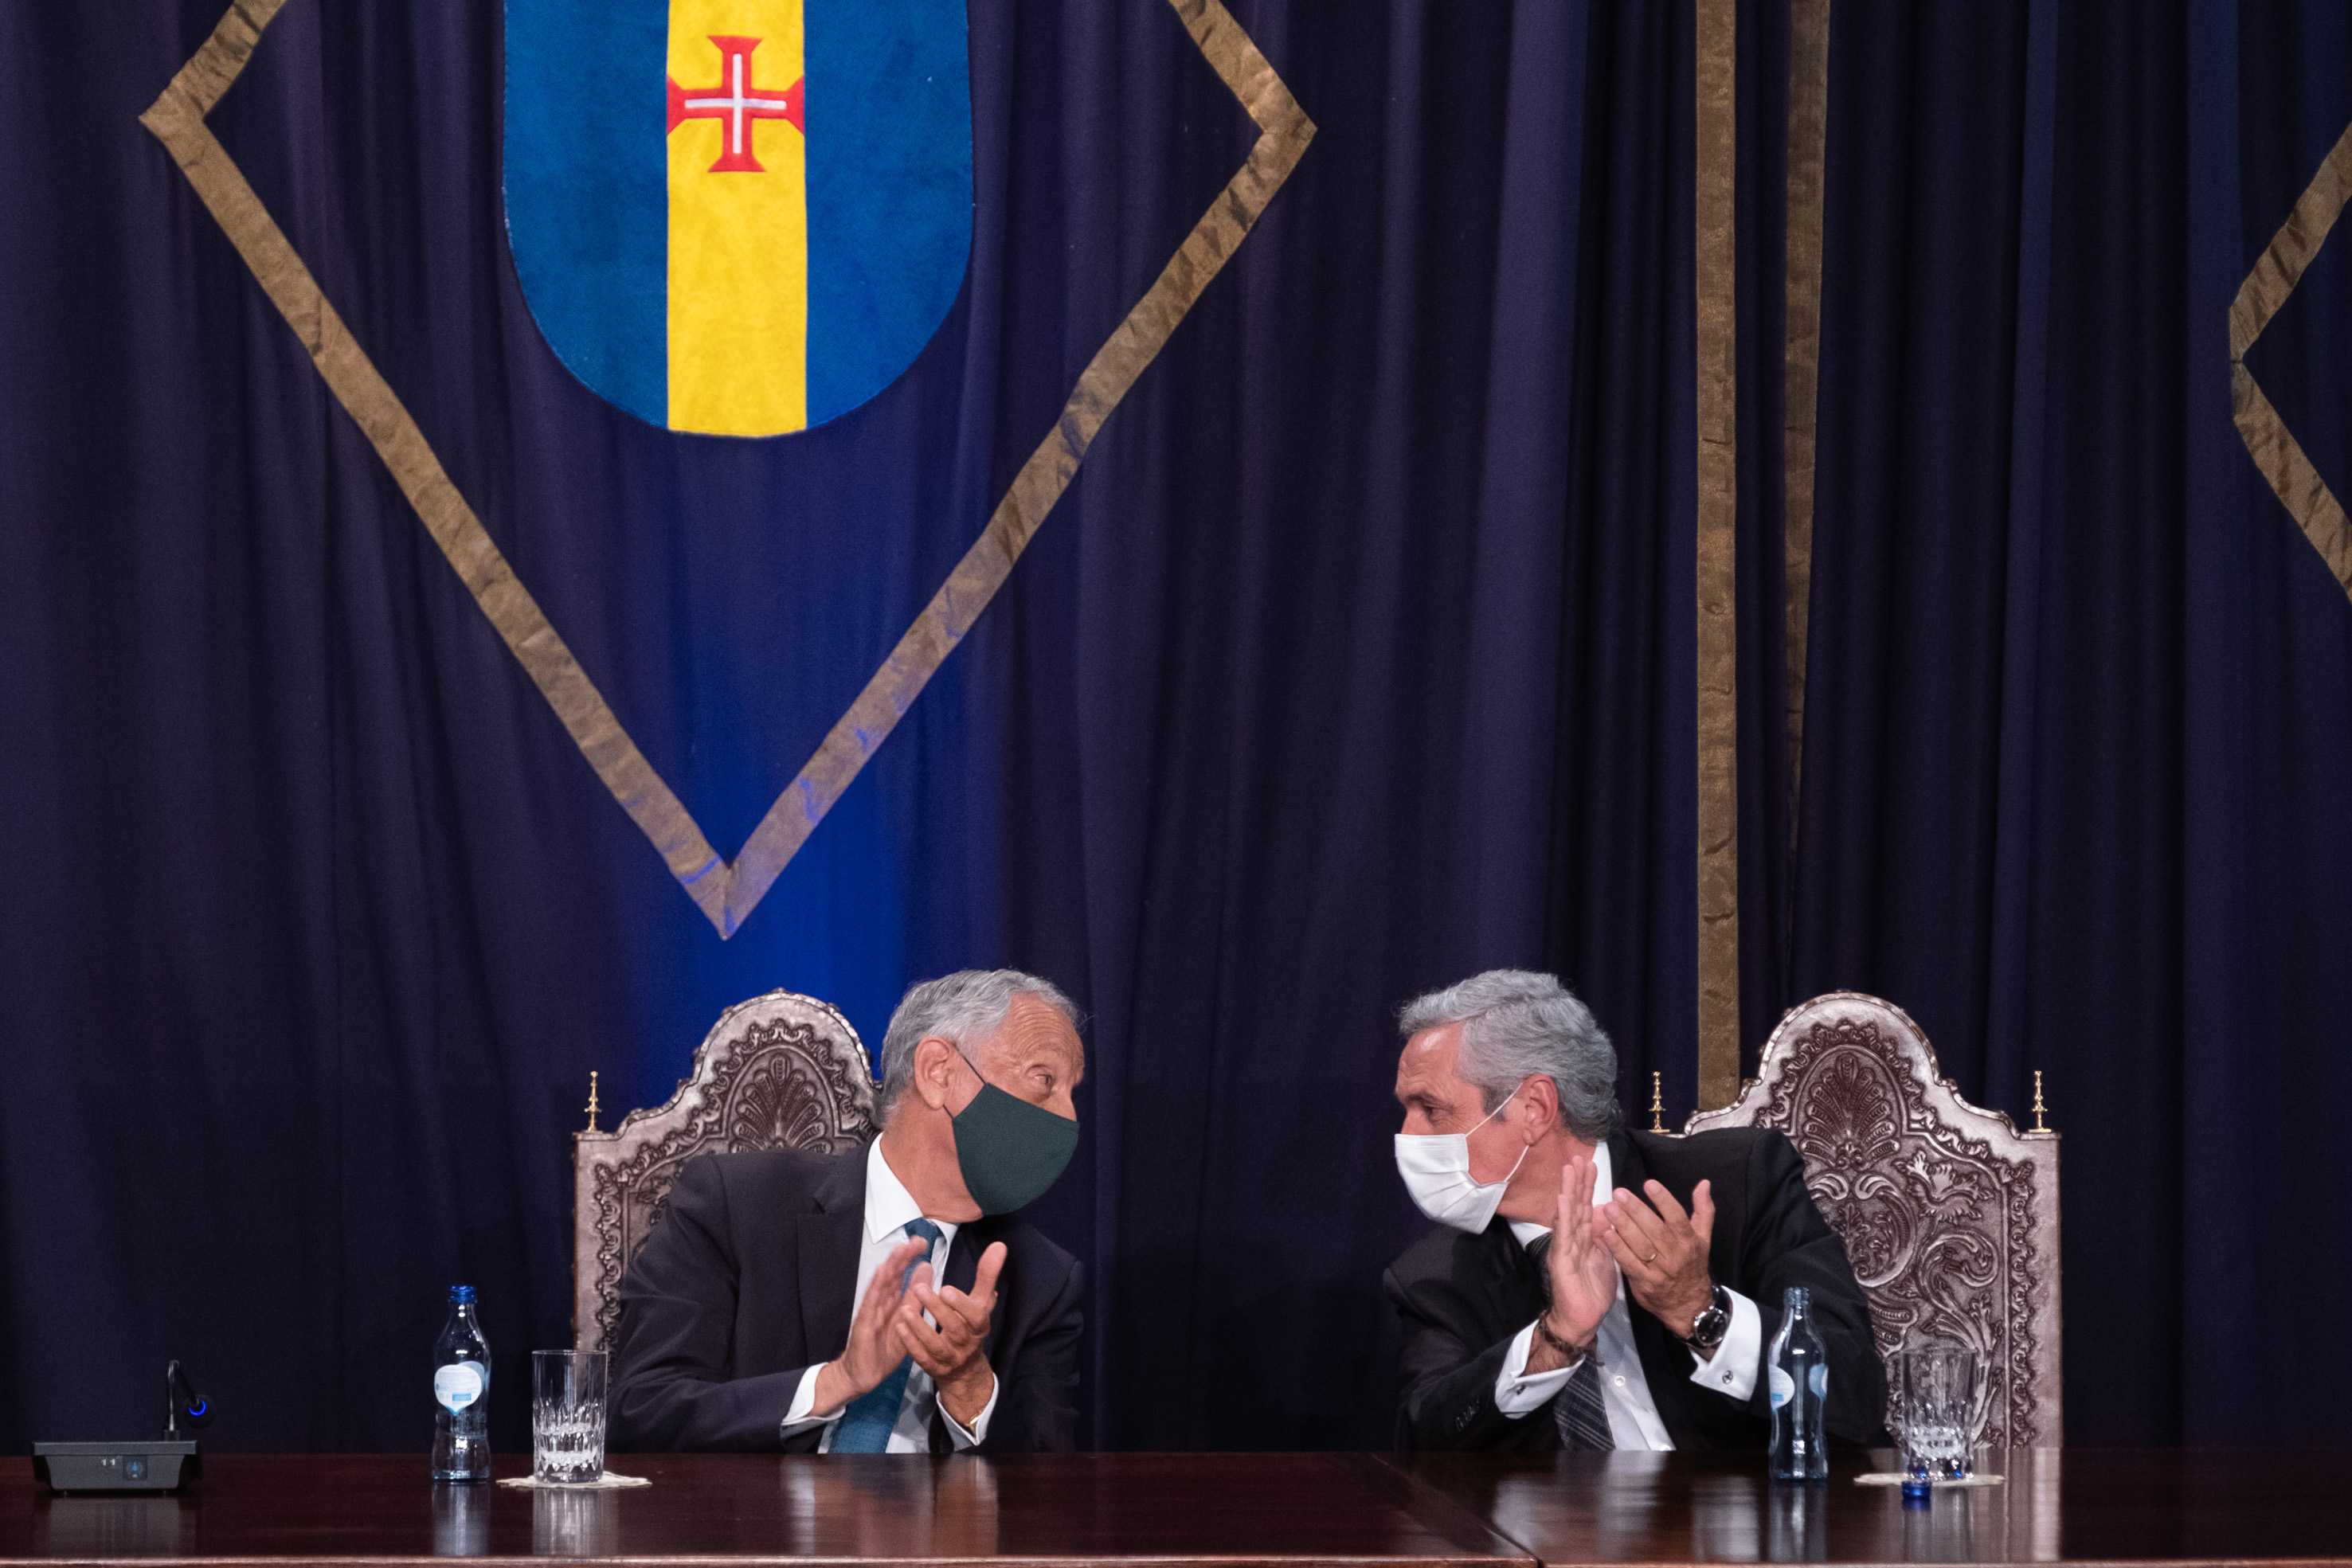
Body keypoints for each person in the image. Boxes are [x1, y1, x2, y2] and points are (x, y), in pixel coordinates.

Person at [1383, 969, 1888, 1451]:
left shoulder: (1737, 1184)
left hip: (1756, 1508)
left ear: (1535, 1108)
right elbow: (1423, 1444)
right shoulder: (1436, 1275)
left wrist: (1699, 1311)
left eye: (1431, 1109)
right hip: (1568, 1514)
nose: (1407, 1135)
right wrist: (1555, 1339)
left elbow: (1855, 1396)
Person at [610, 970, 1086, 1452]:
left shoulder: (1043, 1280)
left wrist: (968, 1386)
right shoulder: (734, 1205)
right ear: (938, 1071)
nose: (1068, 1117)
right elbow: (641, 1409)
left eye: (1072, 1092)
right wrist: (836, 1382)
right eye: (1044, 1080)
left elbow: (1049, 1479)